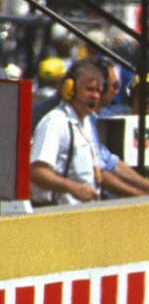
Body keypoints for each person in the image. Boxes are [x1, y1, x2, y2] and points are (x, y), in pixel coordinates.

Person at [30, 58, 109, 205]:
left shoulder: (86, 123)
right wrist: (73, 188)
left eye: (98, 91)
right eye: (90, 89)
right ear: (70, 89)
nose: (95, 96)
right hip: (59, 214)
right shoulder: (55, 122)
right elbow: (36, 172)